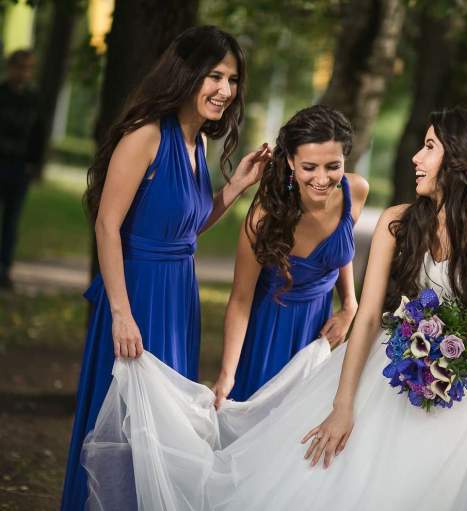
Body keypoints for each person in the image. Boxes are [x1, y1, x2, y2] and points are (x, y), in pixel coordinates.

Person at [81, 107, 467, 510]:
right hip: (387, 372)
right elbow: (368, 317)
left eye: (428, 147)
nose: (416, 157)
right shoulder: (399, 221)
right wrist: (343, 405)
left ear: (458, 160)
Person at [61, 26, 271, 511]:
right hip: (137, 295)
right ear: (186, 73)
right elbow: (107, 225)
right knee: (128, 423)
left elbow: (185, 228)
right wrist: (121, 313)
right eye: (214, 76)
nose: (225, 90)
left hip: (179, 297)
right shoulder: (147, 135)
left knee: (164, 428)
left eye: (232, 79)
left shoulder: (198, 144)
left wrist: (234, 188)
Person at [212, 105, 368, 405]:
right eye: (309, 167)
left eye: (333, 166)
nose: (322, 178)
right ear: (291, 162)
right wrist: (226, 374)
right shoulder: (263, 218)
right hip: (269, 332)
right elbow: (241, 300)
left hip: (317, 333)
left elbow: (339, 249)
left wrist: (349, 305)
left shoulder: (356, 191)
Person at [0, 49, 42, 289]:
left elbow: (38, 133)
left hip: (19, 167)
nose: (25, 73)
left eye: (29, 69)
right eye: (21, 68)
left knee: (11, 221)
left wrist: (34, 164)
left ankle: (5, 268)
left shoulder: (33, 99)